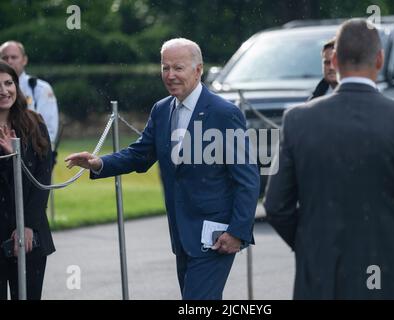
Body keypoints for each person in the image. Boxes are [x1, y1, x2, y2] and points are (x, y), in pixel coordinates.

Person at [263, 19, 394, 299]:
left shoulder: (297, 120)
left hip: (324, 277)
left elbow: (276, 205)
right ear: (379, 59)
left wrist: (311, 244)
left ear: (335, 60)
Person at [65, 38, 260, 300]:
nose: (170, 75)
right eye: (165, 68)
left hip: (216, 236)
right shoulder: (161, 109)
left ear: (198, 70)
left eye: (178, 68)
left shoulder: (224, 113)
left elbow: (247, 178)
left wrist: (237, 232)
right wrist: (99, 163)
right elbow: (140, 155)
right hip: (182, 234)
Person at [0, 60, 55, 300]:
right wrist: (7, 156)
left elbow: (41, 179)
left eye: (8, 83)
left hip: (31, 230)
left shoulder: (35, 123)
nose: (4, 91)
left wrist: (28, 225)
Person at [0, 41, 59, 161]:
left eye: (14, 57)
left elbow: (49, 130)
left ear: (24, 60)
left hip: (36, 155)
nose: (9, 61)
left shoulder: (40, 88)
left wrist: (39, 155)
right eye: (5, 57)